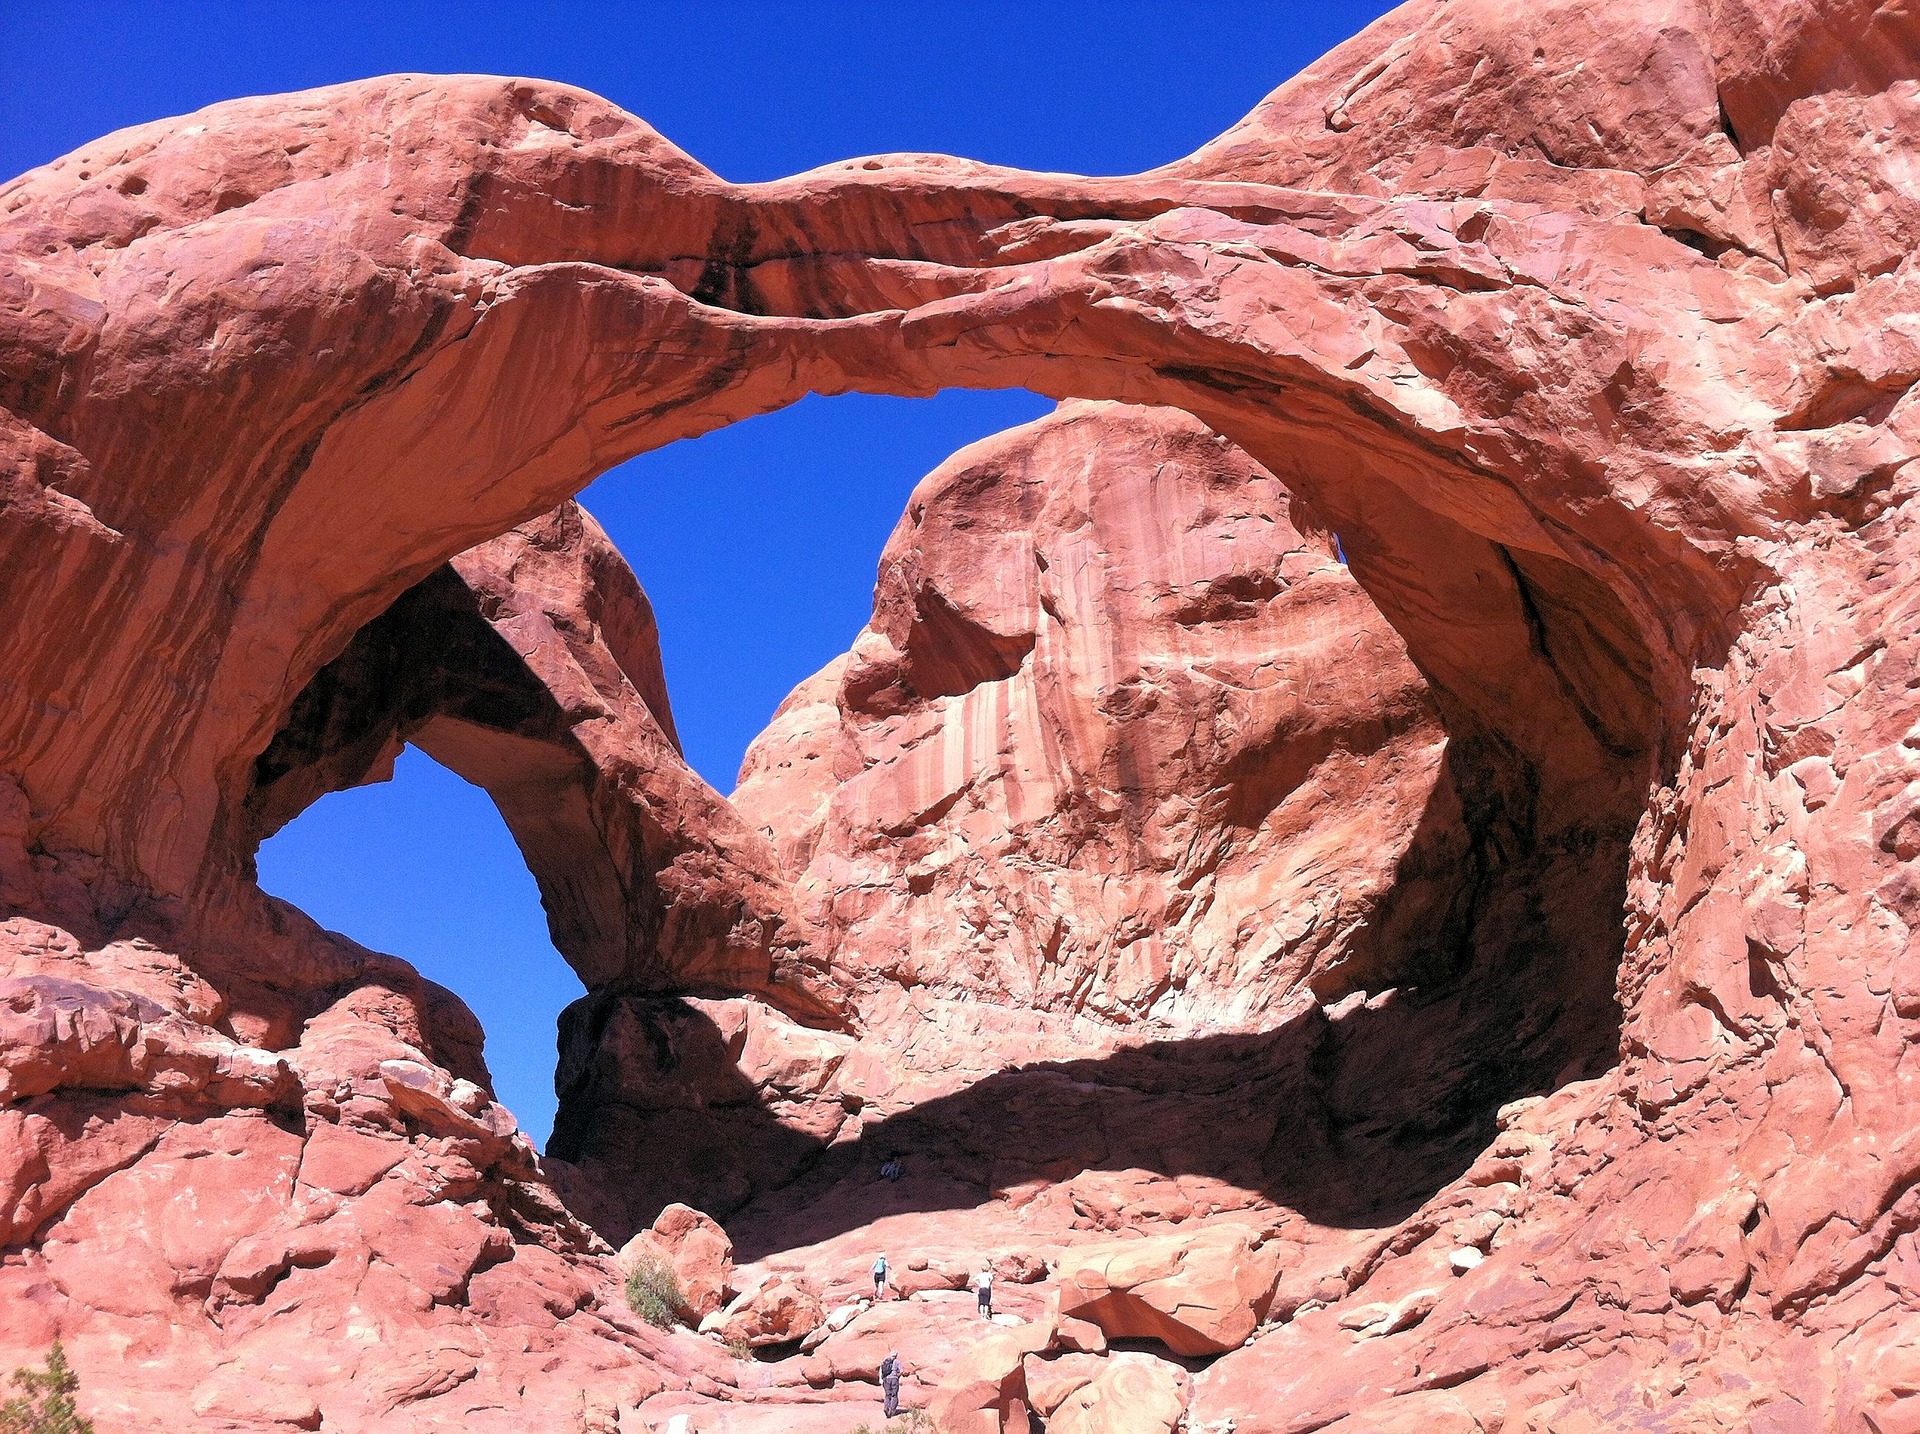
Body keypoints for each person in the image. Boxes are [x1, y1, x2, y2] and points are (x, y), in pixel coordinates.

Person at [880, 1349, 903, 1418]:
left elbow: (881, 1370)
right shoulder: (897, 1361)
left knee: (887, 1395)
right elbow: (901, 1371)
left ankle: (886, 1407)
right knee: (894, 1395)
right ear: (896, 1355)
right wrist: (897, 1376)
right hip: (894, 1379)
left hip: (886, 1379)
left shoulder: (886, 1361)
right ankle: (892, 1411)